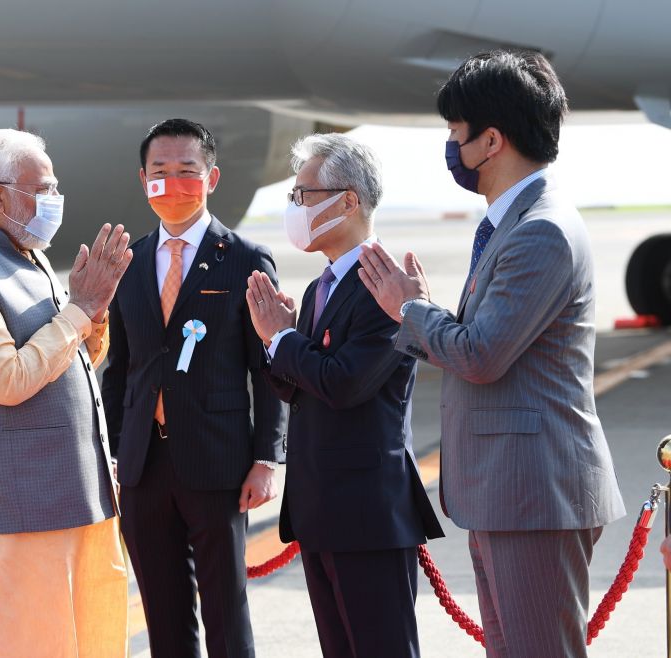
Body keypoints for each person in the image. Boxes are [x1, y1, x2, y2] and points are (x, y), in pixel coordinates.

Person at [357, 50, 626, 657]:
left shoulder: (540, 230)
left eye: (457, 132)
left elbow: (481, 356)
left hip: (533, 492)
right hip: (509, 490)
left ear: (491, 141)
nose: (452, 146)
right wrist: (423, 310)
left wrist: (408, 308)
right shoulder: (515, 222)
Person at [0, 128, 131, 658]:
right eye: (43, 188)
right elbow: (6, 380)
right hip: (5, 508)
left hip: (68, 495)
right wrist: (79, 311)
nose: (54, 201)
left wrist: (92, 316)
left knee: (81, 638)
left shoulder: (24, 255)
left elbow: (64, 365)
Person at [245, 133, 443, 658]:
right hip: (322, 511)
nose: (295, 209)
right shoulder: (320, 287)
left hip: (367, 515)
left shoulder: (385, 286)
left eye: (303, 195)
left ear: (349, 200)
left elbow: (343, 383)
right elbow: (302, 386)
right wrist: (279, 342)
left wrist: (282, 340)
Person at [101, 118, 285, 658]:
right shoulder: (129, 264)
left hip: (217, 462)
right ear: (143, 180)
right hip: (142, 466)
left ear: (213, 177)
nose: (173, 183)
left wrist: (266, 458)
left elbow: (268, 369)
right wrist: (112, 452)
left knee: (226, 611)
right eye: (161, 172)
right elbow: (120, 370)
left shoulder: (247, 260)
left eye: (187, 171)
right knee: (164, 613)